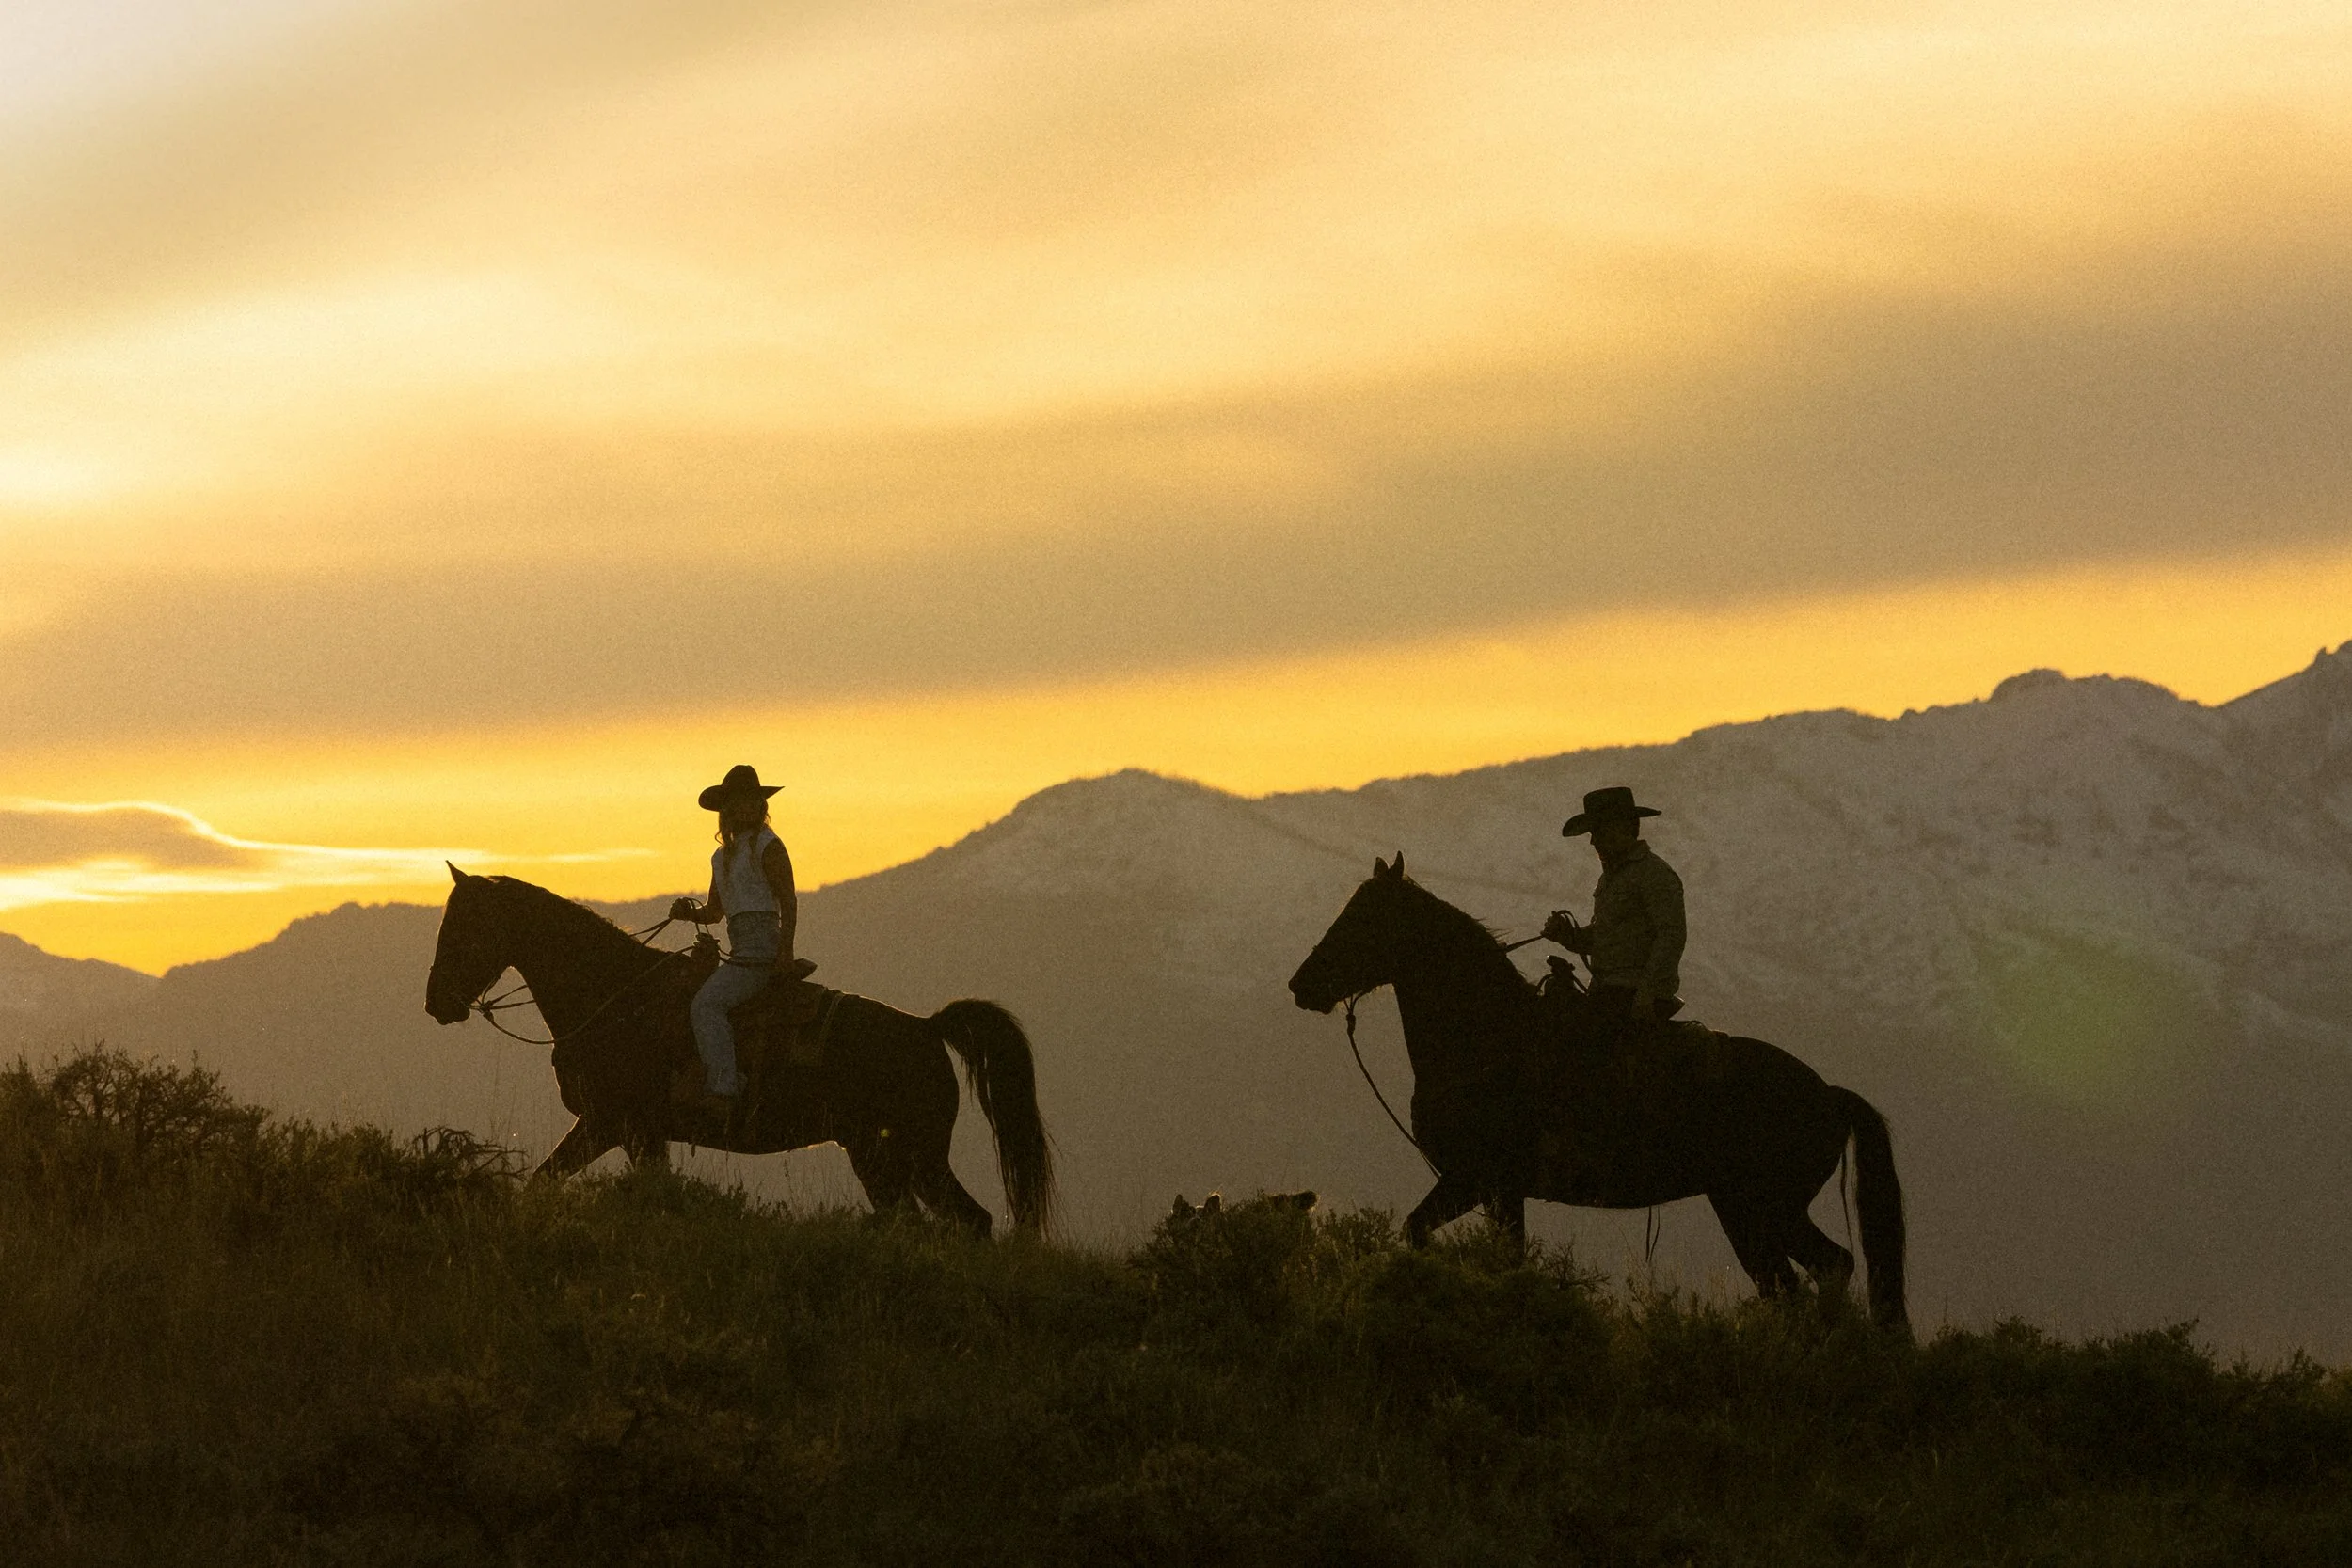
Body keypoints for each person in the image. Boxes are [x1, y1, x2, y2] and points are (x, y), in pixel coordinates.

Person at [670, 764, 803, 1104]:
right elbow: (715, 913)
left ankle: (725, 1085)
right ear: (727, 809)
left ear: (760, 806)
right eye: (737, 801)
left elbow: (788, 900)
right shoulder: (721, 857)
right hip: (742, 950)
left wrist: (784, 952)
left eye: (751, 800)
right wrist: (688, 915)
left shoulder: (768, 845)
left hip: (760, 952)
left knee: (707, 1004)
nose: (745, 807)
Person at [1542, 786, 1685, 1041]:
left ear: (1624, 828)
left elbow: (1671, 936)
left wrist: (1647, 993)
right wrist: (1568, 936)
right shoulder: (1611, 878)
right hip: (1607, 990)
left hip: (1631, 993)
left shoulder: (1653, 874)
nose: (1593, 841)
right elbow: (1604, 937)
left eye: (1599, 831)